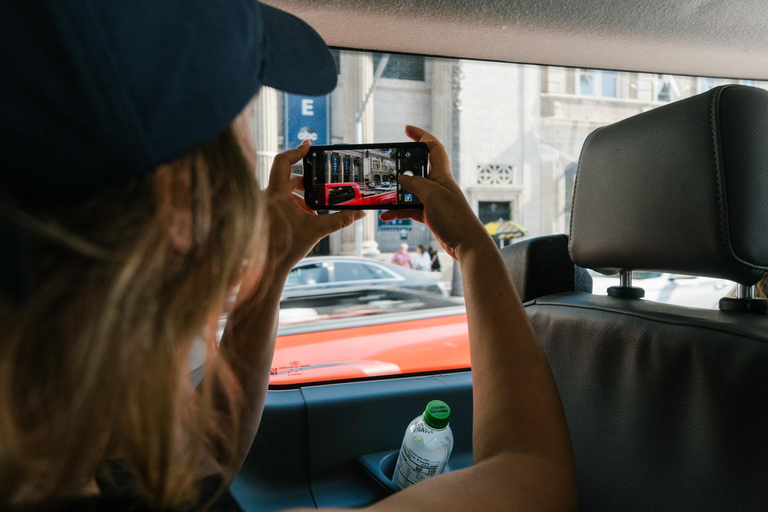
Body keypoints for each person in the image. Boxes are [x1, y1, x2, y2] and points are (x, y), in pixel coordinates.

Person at [0, 1, 576, 511]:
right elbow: (532, 474)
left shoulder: (71, 450)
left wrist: (272, 266)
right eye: (241, 113)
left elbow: (205, 460)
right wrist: (472, 247)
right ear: (180, 199)